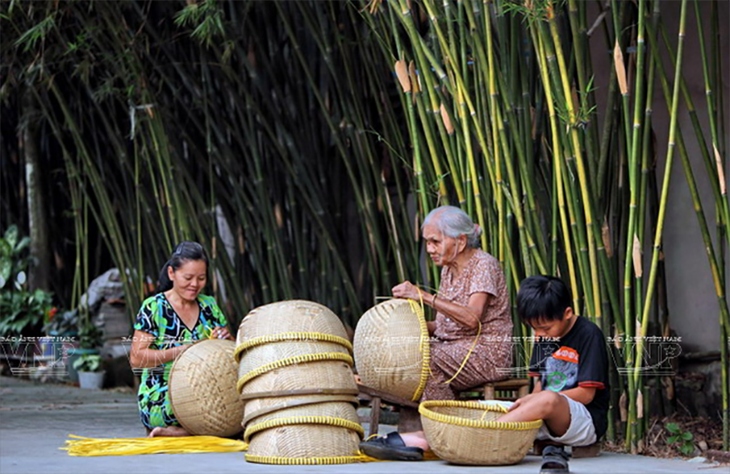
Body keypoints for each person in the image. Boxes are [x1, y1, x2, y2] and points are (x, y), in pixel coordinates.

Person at [360, 205, 513, 460]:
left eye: (435, 242)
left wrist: (424, 297)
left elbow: (471, 320)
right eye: (427, 242)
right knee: (407, 352)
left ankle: (438, 436)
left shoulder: (483, 265)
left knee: (423, 359)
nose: (430, 249)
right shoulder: (448, 269)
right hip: (451, 349)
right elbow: (444, 325)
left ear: (461, 241)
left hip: (487, 353)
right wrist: (403, 327)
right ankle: (435, 434)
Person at [496, 275, 609, 473]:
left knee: (547, 399)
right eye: (534, 329)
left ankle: (486, 433)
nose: (539, 334)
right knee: (490, 407)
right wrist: (532, 401)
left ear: (567, 313)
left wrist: (538, 402)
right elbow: (539, 384)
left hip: (583, 421)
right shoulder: (543, 336)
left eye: (545, 328)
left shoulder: (589, 334)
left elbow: (586, 394)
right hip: (545, 416)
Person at [129, 241, 232, 437]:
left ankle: (180, 433)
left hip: (207, 389)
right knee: (206, 414)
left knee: (235, 405)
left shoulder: (209, 305)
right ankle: (185, 429)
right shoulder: (154, 307)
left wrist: (225, 338)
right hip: (164, 393)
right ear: (171, 274)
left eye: (201, 278)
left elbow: (231, 351)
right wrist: (179, 351)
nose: (195, 284)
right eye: (188, 277)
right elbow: (137, 358)